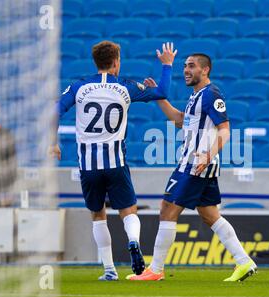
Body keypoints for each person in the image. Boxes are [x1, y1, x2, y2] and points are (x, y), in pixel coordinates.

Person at [49, 41, 177, 281]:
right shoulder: (126, 86)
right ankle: (133, 241)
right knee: (128, 211)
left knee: (98, 215)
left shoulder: (79, 86)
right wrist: (167, 65)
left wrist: (53, 143)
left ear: (96, 62)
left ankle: (109, 270)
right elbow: (162, 93)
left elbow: (55, 110)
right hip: (116, 162)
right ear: (116, 61)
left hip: (88, 165)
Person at [128, 53, 257, 282]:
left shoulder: (211, 94)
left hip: (196, 162)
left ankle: (156, 270)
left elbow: (225, 129)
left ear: (205, 70)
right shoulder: (195, 96)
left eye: (191, 66)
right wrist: (158, 97)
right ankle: (244, 261)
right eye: (184, 66)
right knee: (209, 215)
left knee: (168, 208)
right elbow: (179, 120)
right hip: (198, 162)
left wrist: (208, 155)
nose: (186, 70)